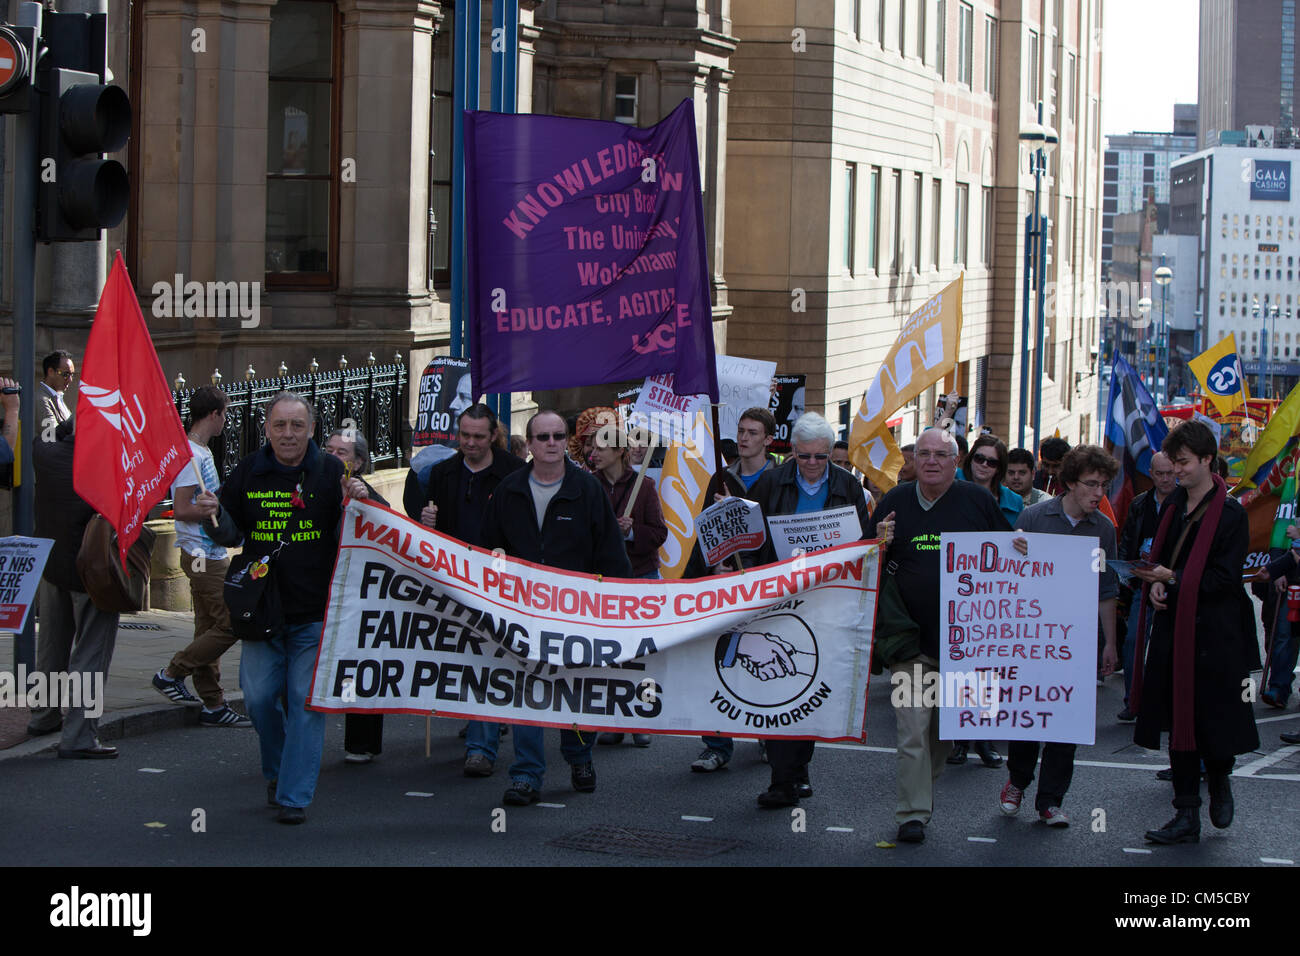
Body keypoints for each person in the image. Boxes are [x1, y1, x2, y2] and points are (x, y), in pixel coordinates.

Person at [217, 392, 369, 824]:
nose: (288, 434)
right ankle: (280, 770)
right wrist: (212, 515)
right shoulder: (248, 470)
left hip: (314, 613)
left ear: (311, 429)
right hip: (261, 614)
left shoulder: (330, 471)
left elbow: (371, 527)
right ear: (266, 428)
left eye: (297, 426)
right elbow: (229, 533)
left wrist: (359, 498)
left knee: (305, 702)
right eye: (280, 425)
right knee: (261, 699)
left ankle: (293, 796)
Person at [867, 427, 1011, 844]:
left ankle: (922, 790)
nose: (931, 460)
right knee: (911, 731)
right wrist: (878, 544)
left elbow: (1006, 558)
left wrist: (1020, 548)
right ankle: (912, 814)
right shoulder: (893, 501)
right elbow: (864, 559)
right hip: (908, 642)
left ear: (956, 461)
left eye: (940, 454)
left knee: (943, 736)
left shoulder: (978, 501)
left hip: (962, 646)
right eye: (924, 453)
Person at [481, 410, 632, 805]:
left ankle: (580, 755)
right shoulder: (510, 489)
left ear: (567, 441)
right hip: (523, 613)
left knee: (574, 689)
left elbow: (611, 554)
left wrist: (618, 602)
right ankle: (527, 774)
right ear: (529, 444)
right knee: (527, 692)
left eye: (558, 436)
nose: (551, 443)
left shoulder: (587, 489)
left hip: (577, 613)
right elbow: (488, 548)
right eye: (542, 437)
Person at [1131, 421, 1259, 845]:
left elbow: (1225, 579)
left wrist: (1175, 576)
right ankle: (1186, 814)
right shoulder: (1172, 507)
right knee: (1176, 719)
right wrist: (1158, 588)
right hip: (1175, 631)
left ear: (1207, 460)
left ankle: (1220, 780)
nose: (1176, 471)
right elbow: (1163, 563)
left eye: (1183, 463)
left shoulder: (1232, 513)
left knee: (1213, 721)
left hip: (1216, 635)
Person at [744, 412, 872, 808]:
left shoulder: (848, 486)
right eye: (804, 457)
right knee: (781, 686)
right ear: (792, 453)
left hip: (829, 599)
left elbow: (863, 542)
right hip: (780, 598)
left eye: (821, 457)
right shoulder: (771, 481)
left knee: (810, 682)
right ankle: (784, 778)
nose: (813, 464)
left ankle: (798, 767)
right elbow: (753, 536)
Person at [999, 445, 1120, 828]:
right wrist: (1014, 551)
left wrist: (1110, 642)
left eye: (1103, 485)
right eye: (1090, 484)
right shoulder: (1034, 517)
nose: (1098, 493)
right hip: (1032, 638)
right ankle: (1018, 780)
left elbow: (1106, 590)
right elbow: (1008, 579)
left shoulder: (1103, 529)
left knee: (1065, 722)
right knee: (1027, 715)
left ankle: (1050, 801)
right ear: (1070, 483)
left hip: (1077, 641)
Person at [406, 403, 525, 776]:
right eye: (464, 436)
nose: (470, 444)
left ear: (493, 436)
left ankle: (482, 745)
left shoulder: (514, 472)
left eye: (478, 437)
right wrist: (427, 522)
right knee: (469, 660)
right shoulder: (441, 473)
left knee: (490, 660)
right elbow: (428, 527)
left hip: (499, 582)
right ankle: (479, 737)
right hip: (456, 581)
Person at [150, 385, 251, 728]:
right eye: (225, 413)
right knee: (234, 622)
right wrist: (212, 509)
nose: (227, 420)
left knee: (208, 627)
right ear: (214, 414)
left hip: (205, 552)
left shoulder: (198, 453)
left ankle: (213, 704)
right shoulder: (192, 455)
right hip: (201, 555)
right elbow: (179, 509)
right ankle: (171, 672)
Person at [690, 406, 781, 773]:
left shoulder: (780, 479)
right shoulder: (720, 479)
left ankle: (768, 735)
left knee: (763, 658)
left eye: (753, 432)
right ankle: (716, 744)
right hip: (726, 583)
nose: (744, 438)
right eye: (741, 431)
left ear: (769, 439)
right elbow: (703, 532)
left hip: (766, 581)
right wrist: (714, 562)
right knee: (719, 660)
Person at [26, 417, 121, 758]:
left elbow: (53, 432)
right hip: (92, 571)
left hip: (53, 568)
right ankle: (79, 735)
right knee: (91, 654)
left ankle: (44, 715)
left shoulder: (45, 453)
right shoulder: (105, 465)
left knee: (51, 646)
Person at [591, 424, 668, 748]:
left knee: (642, 655)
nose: (593, 454)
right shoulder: (589, 486)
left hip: (641, 578)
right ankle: (614, 719)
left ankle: (641, 717)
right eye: (592, 448)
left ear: (619, 452)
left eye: (601, 449)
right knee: (610, 653)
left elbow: (659, 533)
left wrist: (633, 532)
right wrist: (610, 531)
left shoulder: (645, 486)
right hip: (604, 580)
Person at [325, 426, 392, 764]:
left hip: (355, 592)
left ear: (359, 463)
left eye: (343, 453)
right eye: (330, 450)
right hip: (316, 589)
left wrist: (365, 500)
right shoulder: (311, 486)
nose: (334, 458)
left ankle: (361, 741)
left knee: (359, 661)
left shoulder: (367, 496)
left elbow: (388, 527)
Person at [1115, 451, 1176, 721]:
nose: (1164, 479)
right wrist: (1126, 573)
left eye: (1169, 473)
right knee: (1133, 642)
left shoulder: (1185, 503)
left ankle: (1164, 703)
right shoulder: (1141, 503)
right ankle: (1133, 700)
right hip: (1142, 580)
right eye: (1159, 474)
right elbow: (1129, 538)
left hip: (1172, 582)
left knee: (1168, 644)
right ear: (1151, 473)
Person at [959, 435, 1023, 526]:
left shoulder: (1015, 501)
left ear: (999, 468)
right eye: (979, 458)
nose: (984, 464)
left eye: (992, 462)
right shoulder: (951, 481)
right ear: (971, 459)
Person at [38, 350, 75, 428]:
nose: (70, 379)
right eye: (66, 374)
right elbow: (50, 436)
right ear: (51, 372)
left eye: (72, 375)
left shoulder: (57, 396)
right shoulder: (41, 399)